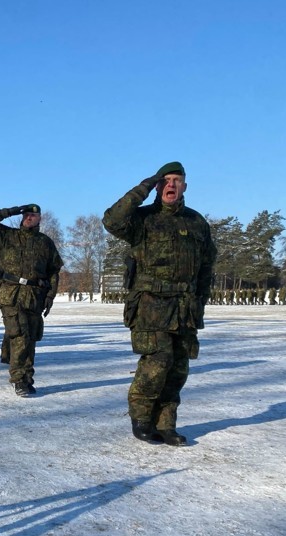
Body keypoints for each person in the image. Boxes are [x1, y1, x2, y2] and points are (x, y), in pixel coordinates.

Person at [102, 161, 216, 446]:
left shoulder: (196, 221)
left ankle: (166, 424)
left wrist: (199, 302)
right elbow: (111, 220)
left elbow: (206, 266)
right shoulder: (142, 219)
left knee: (178, 368)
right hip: (151, 304)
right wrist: (143, 186)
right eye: (165, 180)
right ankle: (141, 418)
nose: (171, 185)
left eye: (177, 180)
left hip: (184, 306)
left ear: (185, 186)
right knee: (157, 362)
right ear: (157, 185)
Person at [0, 204, 63, 396]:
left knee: (30, 338)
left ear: (40, 218)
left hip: (34, 296)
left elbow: (53, 272)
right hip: (10, 294)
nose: (28, 218)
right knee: (20, 335)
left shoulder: (45, 243)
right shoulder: (8, 236)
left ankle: (26, 377)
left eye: (32, 215)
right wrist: (11, 211)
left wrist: (50, 295)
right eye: (26, 215)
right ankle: (18, 379)